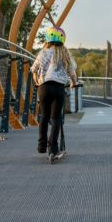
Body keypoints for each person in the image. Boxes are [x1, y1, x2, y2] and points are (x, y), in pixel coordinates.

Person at [30, 26, 78, 160]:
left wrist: (38, 83)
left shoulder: (43, 52)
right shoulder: (65, 53)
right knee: (55, 118)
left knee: (44, 116)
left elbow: (34, 70)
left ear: (47, 39)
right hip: (58, 88)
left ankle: (41, 146)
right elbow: (72, 73)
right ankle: (53, 149)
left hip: (43, 87)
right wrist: (74, 83)